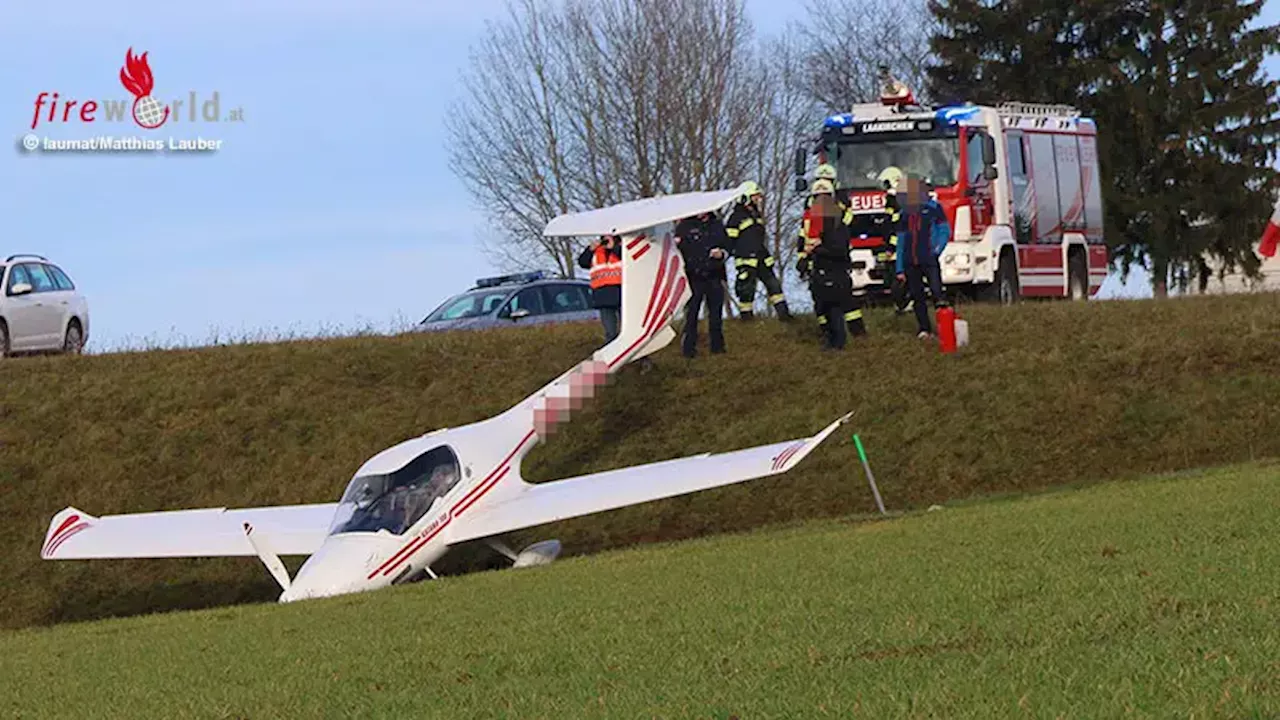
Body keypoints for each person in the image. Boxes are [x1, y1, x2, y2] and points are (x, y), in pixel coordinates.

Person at [804, 180, 863, 349]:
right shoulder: (814, 220)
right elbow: (805, 239)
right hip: (819, 270)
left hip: (835, 271)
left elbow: (839, 250)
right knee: (824, 306)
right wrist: (805, 257)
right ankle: (830, 340)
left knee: (835, 306)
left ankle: (839, 343)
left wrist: (818, 249)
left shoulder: (837, 223)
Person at [894, 174, 951, 338]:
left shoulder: (934, 208)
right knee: (917, 297)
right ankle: (924, 329)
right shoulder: (905, 213)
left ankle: (945, 328)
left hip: (928, 259)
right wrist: (899, 268)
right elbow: (901, 241)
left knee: (937, 294)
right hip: (910, 261)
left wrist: (937, 250)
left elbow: (944, 230)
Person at [725, 181, 791, 321]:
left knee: (774, 286)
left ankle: (785, 317)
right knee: (746, 291)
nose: (758, 199)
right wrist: (724, 255)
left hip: (761, 259)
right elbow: (729, 241)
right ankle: (747, 321)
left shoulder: (756, 216)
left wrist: (767, 256)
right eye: (755, 196)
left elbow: (758, 240)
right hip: (746, 260)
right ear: (746, 197)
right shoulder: (735, 218)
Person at [674, 211, 730, 358]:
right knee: (691, 314)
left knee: (716, 314)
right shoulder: (685, 226)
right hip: (693, 276)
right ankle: (689, 349)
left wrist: (722, 254)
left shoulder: (717, 225)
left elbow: (728, 245)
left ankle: (718, 348)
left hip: (714, 274)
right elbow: (677, 249)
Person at [578, 235, 623, 343]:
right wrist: (590, 249)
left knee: (629, 330)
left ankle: (639, 357)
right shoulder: (596, 251)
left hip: (622, 293)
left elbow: (629, 258)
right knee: (610, 332)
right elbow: (582, 262)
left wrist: (613, 247)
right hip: (603, 296)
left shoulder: (622, 248)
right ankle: (611, 354)